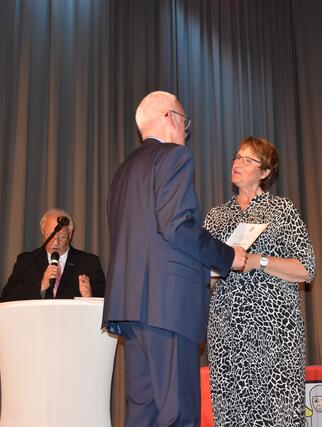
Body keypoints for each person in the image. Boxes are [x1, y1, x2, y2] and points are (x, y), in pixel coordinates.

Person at [103, 91, 246, 427]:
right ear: (170, 118)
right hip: (168, 306)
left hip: (131, 310)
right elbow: (178, 227)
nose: (186, 131)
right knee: (178, 413)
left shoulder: (122, 172)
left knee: (143, 414)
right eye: (185, 122)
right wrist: (228, 256)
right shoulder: (174, 156)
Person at [204, 136, 316, 426]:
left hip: (275, 334)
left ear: (265, 172)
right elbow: (203, 278)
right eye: (236, 157)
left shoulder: (282, 210)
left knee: (279, 415)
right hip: (227, 333)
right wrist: (210, 273)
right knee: (233, 415)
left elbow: (307, 269)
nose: (237, 163)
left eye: (247, 159)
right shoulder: (216, 217)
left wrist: (258, 261)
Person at [1, 208, 105, 301]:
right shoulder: (26, 261)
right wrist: (41, 286)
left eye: (62, 237)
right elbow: (7, 298)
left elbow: (106, 304)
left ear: (70, 235)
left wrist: (89, 297)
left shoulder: (89, 263)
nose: (55, 242)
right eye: (50, 235)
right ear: (43, 233)